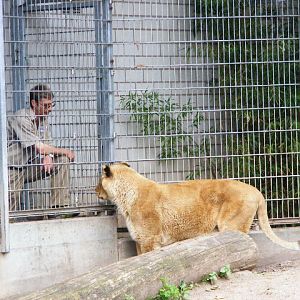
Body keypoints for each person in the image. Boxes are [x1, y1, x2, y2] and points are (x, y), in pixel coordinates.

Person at [7, 84, 75, 211]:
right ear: (34, 103)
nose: (49, 109)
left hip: (29, 166)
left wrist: (48, 156)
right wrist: (64, 151)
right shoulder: (22, 117)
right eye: (45, 105)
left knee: (61, 160)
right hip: (12, 168)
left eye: (51, 105)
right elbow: (40, 147)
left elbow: (46, 144)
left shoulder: (43, 120)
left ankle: (59, 208)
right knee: (10, 204)